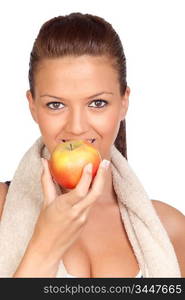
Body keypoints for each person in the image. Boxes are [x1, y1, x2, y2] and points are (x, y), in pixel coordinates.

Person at [0, 12, 184, 278]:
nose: (76, 127)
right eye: (56, 104)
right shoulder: (4, 209)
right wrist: (45, 245)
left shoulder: (170, 230)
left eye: (97, 103)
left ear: (124, 102)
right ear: (33, 107)